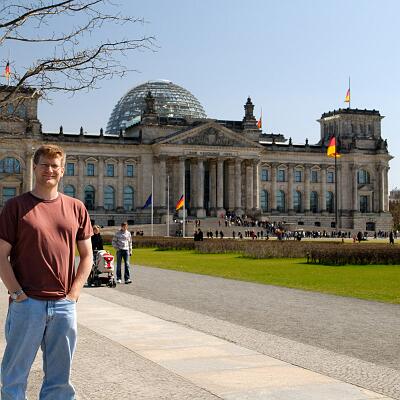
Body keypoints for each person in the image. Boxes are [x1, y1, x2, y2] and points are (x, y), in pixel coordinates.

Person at [0, 144, 93, 399]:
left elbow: (87, 256)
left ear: (63, 171)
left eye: (55, 166)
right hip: (27, 304)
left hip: (63, 305)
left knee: (60, 380)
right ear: (34, 167)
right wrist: (17, 294)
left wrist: (73, 295)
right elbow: (1, 255)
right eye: (44, 165)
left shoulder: (76, 207)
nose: (49, 170)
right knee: (14, 376)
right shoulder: (15, 206)